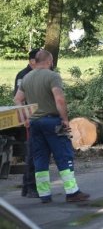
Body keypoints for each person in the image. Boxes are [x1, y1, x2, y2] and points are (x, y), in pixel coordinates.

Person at [13, 50, 90, 203]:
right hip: (52, 122)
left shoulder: (27, 77)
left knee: (40, 158)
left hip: (35, 124)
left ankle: (44, 194)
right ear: (49, 61)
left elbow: (17, 99)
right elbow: (59, 100)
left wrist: (26, 118)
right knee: (64, 155)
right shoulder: (52, 76)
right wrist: (65, 119)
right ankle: (72, 191)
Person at [14, 48, 40, 198]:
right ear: (32, 61)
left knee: (34, 153)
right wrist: (25, 118)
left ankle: (27, 186)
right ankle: (30, 186)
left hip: (37, 118)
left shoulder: (36, 74)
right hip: (31, 119)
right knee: (33, 154)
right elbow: (19, 99)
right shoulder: (24, 75)